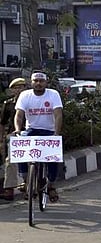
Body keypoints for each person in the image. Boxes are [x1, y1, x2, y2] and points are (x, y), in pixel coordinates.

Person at [13, 72, 63, 202]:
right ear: (31, 82)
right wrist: (18, 130)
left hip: (48, 131)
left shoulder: (53, 94)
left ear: (46, 83)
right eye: (36, 81)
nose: (38, 83)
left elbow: (58, 114)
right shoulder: (25, 95)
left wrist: (56, 133)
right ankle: (25, 179)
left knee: (53, 158)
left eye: (41, 81)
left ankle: (51, 185)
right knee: (20, 145)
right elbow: (19, 115)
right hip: (31, 130)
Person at [0, 77, 27, 201]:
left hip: (31, 134)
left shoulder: (31, 101)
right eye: (16, 88)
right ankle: (9, 189)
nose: (19, 90)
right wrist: (1, 139)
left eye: (21, 87)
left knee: (33, 160)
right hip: (14, 135)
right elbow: (3, 123)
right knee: (10, 161)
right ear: (12, 90)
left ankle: (31, 185)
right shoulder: (8, 104)